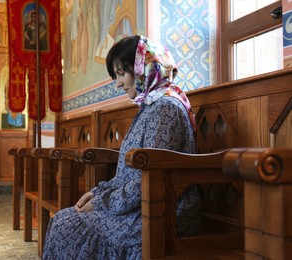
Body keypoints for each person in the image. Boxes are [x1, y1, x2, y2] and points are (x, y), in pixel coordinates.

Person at [42, 35, 201, 259]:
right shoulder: (150, 106)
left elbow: (151, 177)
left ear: (141, 69)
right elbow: (129, 175)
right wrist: (98, 193)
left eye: (120, 74)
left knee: (67, 225)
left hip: (166, 209)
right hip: (144, 202)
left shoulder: (165, 108)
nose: (118, 83)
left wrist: (102, 202)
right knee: (65, 220)